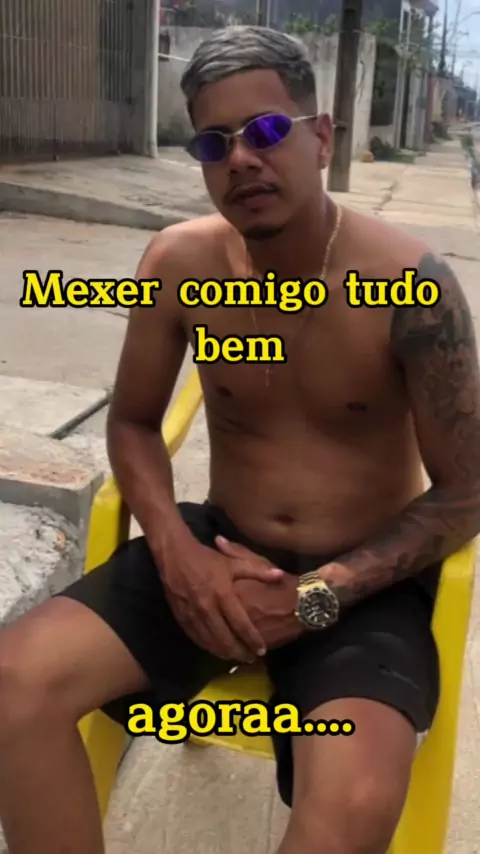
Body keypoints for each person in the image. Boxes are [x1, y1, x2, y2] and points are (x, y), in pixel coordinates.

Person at [1, 24, 479, 854]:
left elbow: (468, 489)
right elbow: (133, 422)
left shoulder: (412, 287)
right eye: (214, 142)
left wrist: (318, 594)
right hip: (215, 551)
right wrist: (179, 556)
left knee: (354, 805)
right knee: (14, 685)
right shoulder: (178, 265)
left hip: (360, 588)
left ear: (320, 137)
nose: (243, 160)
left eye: (266, 130)